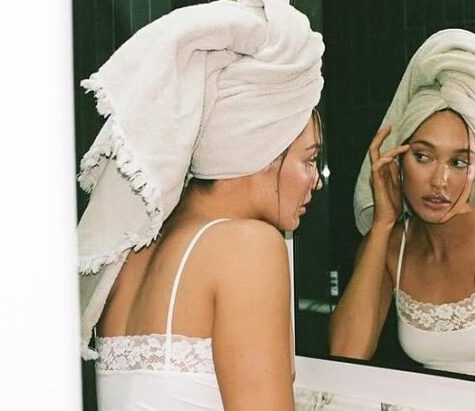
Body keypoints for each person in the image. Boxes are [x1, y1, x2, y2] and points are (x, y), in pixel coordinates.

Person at [75, 0, 324, 409]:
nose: (316, 180)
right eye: (310, 160)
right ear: (262, 146)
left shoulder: (133, 251)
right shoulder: (248, 247)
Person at [328, 29, 475, 377]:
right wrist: (382, 224)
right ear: (397, 159)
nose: (440, 181)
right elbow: (346, 353)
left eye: (458, 162)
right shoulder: (392, 245)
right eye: (423, 156)